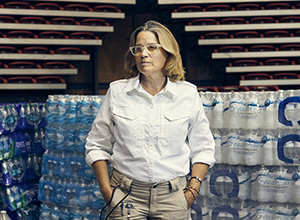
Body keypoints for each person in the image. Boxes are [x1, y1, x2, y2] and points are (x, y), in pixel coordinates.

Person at [85, 20, 215, 220]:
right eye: (138, 48)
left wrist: (191, 192)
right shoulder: (117, 92)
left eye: (152, 47)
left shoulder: (187, 94)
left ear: (168, 53)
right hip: (125, 195)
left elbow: (203, 148)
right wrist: (107, 192)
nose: (143, 53)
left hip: (172, 197)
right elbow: (96, 145)